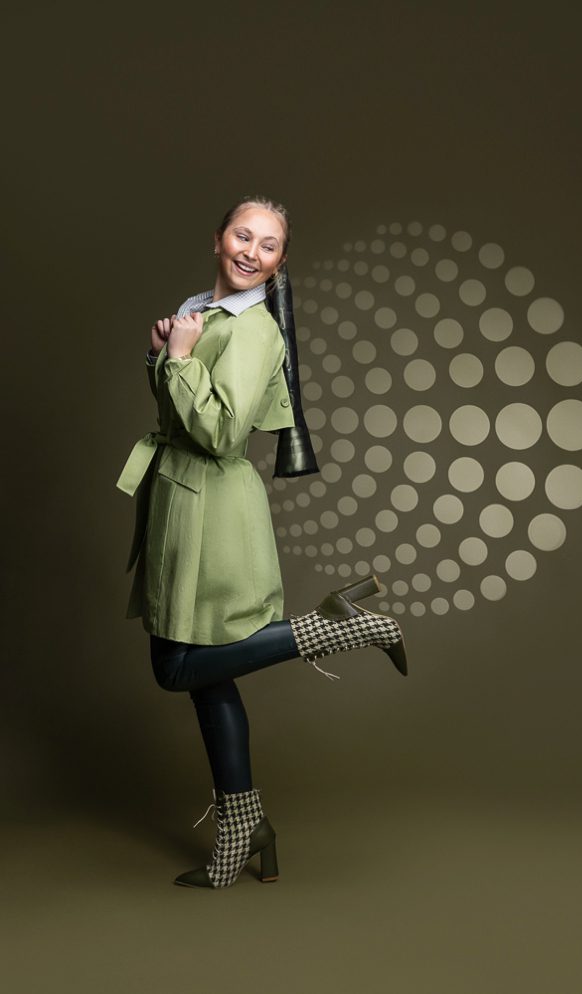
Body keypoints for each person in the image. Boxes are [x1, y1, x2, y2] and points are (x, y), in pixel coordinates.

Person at [117, 196, 412, 890]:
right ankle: (245, 828)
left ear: (280, 262)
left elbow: (221, 434)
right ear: (218, 238)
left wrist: (179, 360)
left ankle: (332, 627)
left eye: (269, 244)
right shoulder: (203, 312)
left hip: (210, 506)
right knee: (206, 675)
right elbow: (180, 411)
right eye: (243, 235)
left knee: (177, 667)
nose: (252, 251)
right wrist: (162, 356)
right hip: (178, 497)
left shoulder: (253, 331)